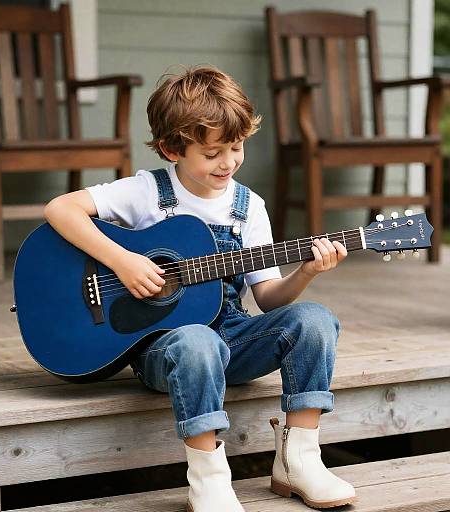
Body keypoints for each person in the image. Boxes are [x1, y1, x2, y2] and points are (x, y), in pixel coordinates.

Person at [44, 65, 356, 511]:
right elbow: (60, 209)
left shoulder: (249, 207)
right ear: (174, 148)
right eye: (212, 153)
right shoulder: (145, 191)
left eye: (237, 146)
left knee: (315, 320)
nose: (228, 162)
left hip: (231, 338)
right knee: (196, 339)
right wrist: (123, 261)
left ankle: (300, 459)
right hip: (164, 351)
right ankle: (209, 480)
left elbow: (267, 299)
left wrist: (305, 272)